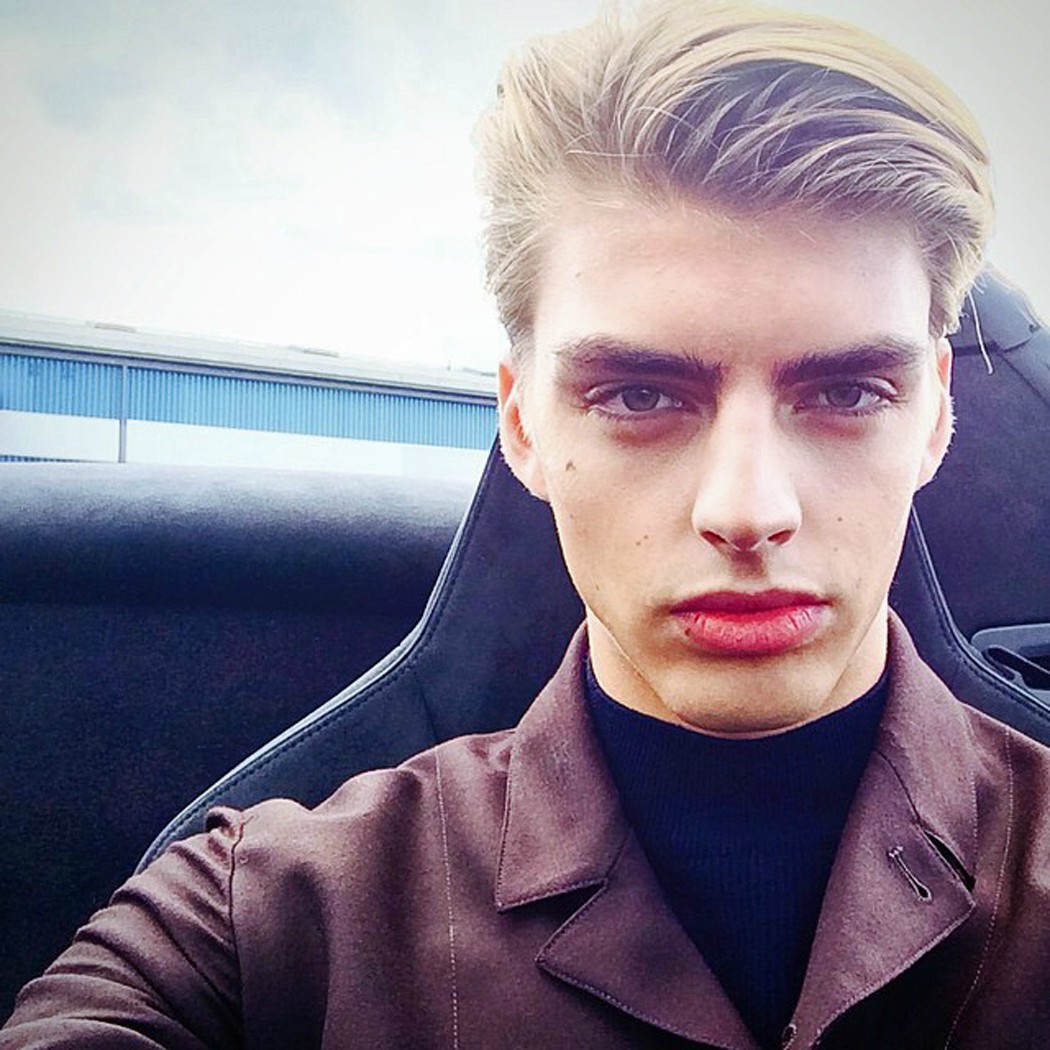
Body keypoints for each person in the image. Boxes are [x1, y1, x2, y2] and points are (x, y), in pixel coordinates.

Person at [4, 1, 1048, 1047]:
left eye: (850, 392)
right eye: (639, 395)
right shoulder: (258, 921)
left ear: (935, 417)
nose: (747, 511)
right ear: (521, 424)